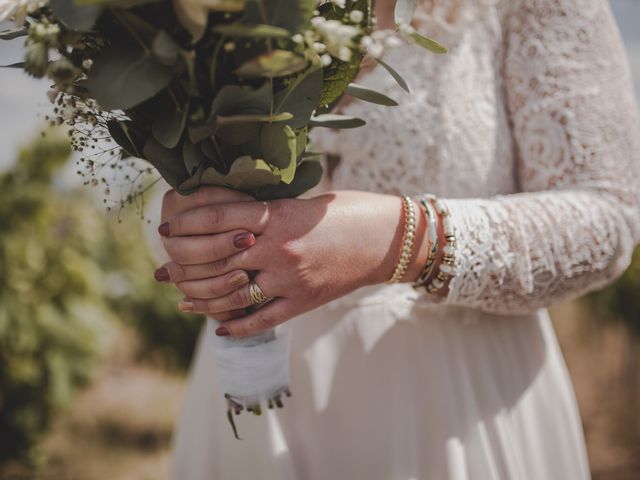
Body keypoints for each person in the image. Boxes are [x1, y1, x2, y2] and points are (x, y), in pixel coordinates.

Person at [160, 0, 640, 478]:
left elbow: (608, 215)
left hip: (454, 406)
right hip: (246, 404)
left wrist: (400, 240)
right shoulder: (197, 12)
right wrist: (196, 228)